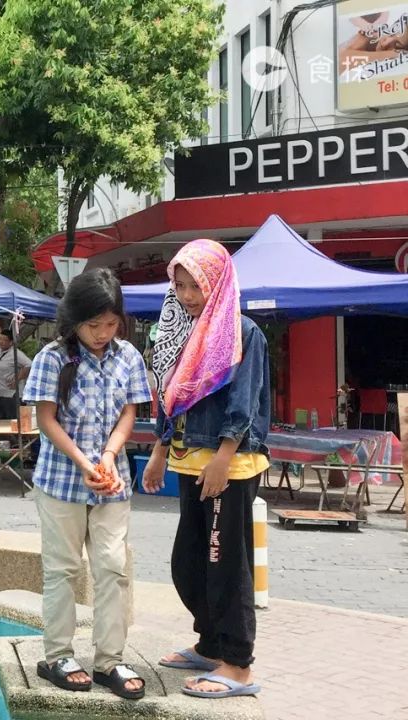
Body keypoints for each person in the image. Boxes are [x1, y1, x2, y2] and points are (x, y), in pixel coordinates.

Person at [143, 239, 268, 700]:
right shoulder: (183, 331)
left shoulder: (242, 331)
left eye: (195, 285)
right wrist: (160, 448)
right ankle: (210, 643)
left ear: (216, 282)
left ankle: (237, 665)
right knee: (189, 563)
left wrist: (223, 457)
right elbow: (171, 396)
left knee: (226, 565)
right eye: (180, 285)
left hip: (227, 465)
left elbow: (245, 401)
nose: (187, 294)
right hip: (186, 458)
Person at [23, 267, 151, 701]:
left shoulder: (129, 356)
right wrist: (82, 462)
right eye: (93, 325)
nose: (102, 333)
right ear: (74, 319)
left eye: (111, 324)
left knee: (113, 570)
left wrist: (110, 457)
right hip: (61, 481)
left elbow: (129, 414)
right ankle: (58, 654)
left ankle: (109, 660)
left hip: (112, 482)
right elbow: (45, 419)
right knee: (62, 569)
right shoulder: (52, 358)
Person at [0, 329, 32, 420]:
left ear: (11, 342)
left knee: (11, 422)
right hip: (0, 395)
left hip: (11, 395)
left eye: (4, 340)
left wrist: (17, 379)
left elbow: (29, 364)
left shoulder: (15, 353)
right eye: (0, 339)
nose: (1, 342)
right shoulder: (1, 351)